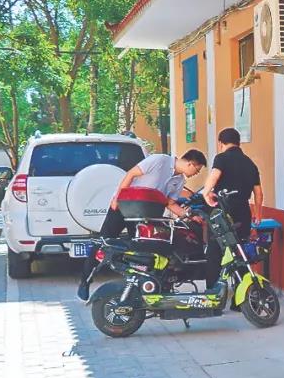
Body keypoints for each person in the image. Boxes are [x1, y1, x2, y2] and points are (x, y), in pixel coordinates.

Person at [77, 149, 207, 301]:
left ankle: (137, 289)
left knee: (142, 252)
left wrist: (189, 216)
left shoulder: (179, 181)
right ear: (190, 163)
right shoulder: (159, 160)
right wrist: (117, 198)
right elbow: (131, 174)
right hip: (124, 206)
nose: (196, 174)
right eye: (197, 170)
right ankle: (85, 281)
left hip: (146, 215)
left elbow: (170, 203)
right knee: (104, 241)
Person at [201, 127, 262, 289]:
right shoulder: (250, 163)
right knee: (241, 251)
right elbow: (258, 192)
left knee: (214, 251)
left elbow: (214, 175)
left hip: (223, 212)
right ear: (238, 143)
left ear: (220, 143)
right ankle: (241, 295)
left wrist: (206, 193)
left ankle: (213, 291)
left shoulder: (221, 158)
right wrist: (258, 214)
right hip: (243, 212)